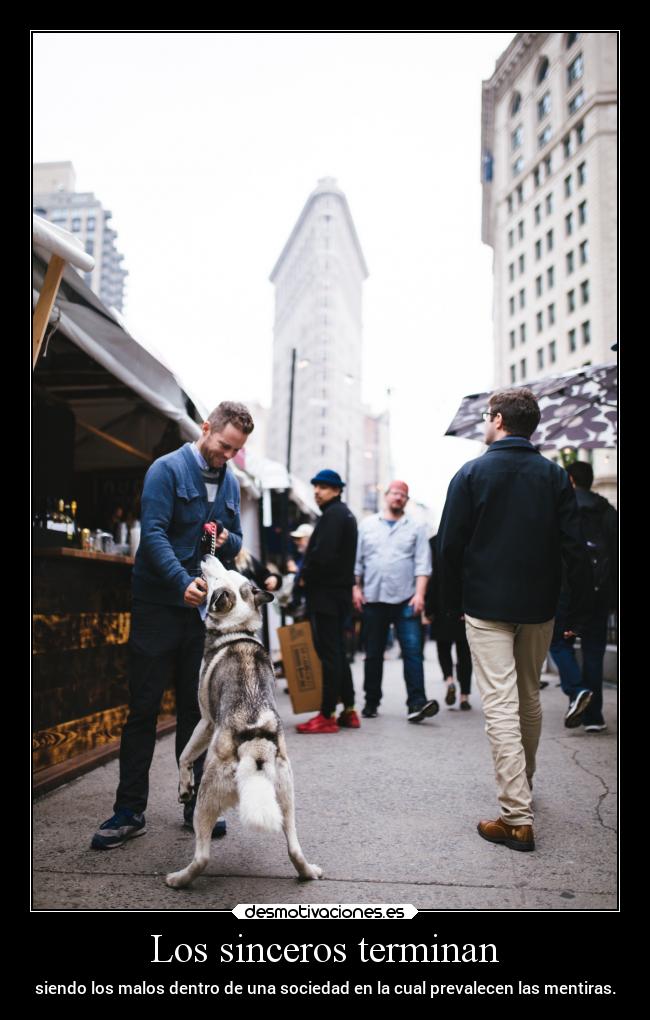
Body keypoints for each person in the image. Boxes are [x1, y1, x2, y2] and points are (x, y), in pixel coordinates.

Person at [91, 401, 254, 849]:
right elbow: (155, 533)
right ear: (206, 429)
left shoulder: (231, 481)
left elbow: (237, 539)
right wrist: (181, 582)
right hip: (158, 605)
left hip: (200, 616)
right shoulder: (166, 469)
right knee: (143, 708)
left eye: (234, 451)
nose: (226, 457)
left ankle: (195, 807)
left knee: (195, 711)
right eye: (223, 446)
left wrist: (225, 538)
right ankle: (128, 812)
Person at [437, 388, 592, 852]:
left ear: (500, 420)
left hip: (485, 606)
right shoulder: (554, 477)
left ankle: (516, 816)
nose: (486, 422)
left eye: (488, 416)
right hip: (539, 605)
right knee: (528, 699)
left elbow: (449, 545)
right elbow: (574, 548)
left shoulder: (470, 473)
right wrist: (577, 607)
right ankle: (523, 788)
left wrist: (450, 604)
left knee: (501, 706)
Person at [353, 481, 438, 723]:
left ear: (406, 500)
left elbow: (423, 564)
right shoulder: (367, 525)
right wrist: (356, 589)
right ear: (386, 496)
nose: (398, 497)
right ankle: (371, 702)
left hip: (406, 599)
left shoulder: (416, 527)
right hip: (373, 598)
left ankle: (417, 703)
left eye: (403, 495)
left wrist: (420, 594)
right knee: (373, 653)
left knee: (412, 652)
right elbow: (357, 562)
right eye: (395, 493)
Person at [549, 460, 618, 733]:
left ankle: (577, 691)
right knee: (593, 651)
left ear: (570, 479)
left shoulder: (562, 507)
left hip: (567, 589)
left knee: (557, 643)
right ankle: (594, 717)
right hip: (600, 592)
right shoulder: (608, 510)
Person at [296, 469, 359, 733]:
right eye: (315, 487)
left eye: (322, 487)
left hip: (326, 596)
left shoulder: (333, 516)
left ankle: (327, 715)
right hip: (337, 595)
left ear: (336, 489)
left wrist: (303, 578)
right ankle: (349, 709)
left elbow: (323, 557)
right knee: (338, 653)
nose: (316, 492)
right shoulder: (343, 515)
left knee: (329, 654)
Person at [424, 534, 473, 710]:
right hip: (463, 606)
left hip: (441, 605)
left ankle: (449, 680)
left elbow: (432, 577)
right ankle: (464, 696)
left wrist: (429, 608)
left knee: (443, 647)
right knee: (464, 652)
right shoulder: (468, 539)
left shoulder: (434, 543)